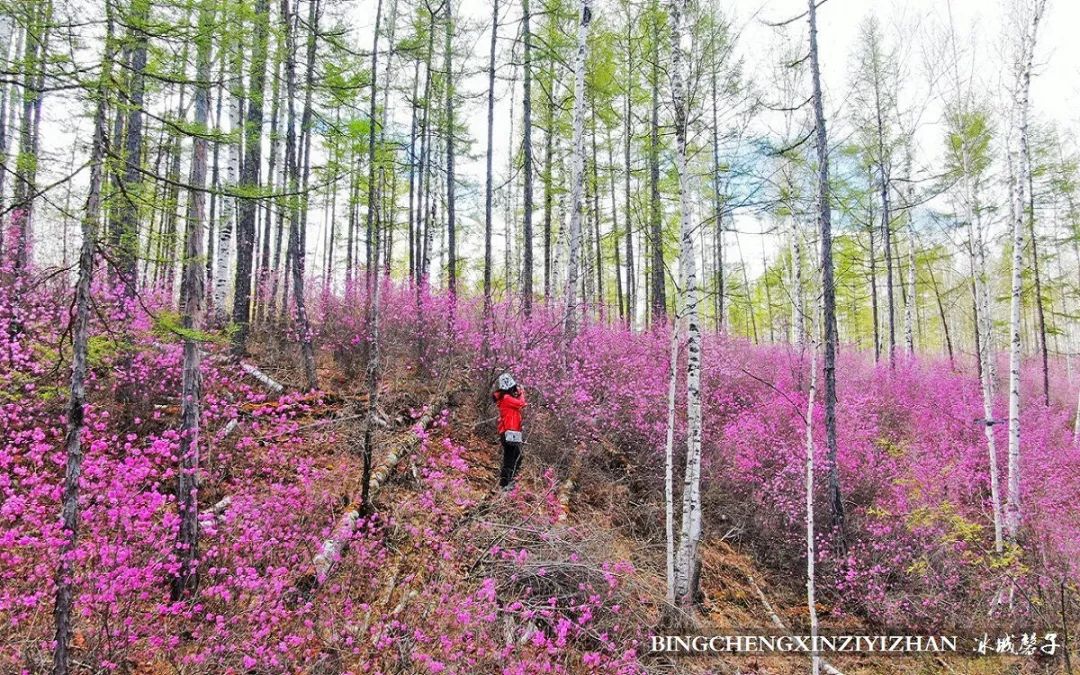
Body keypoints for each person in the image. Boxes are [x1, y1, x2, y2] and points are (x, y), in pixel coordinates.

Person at [492, 372, 526, 489]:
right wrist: (521, 393)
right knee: (511, 457)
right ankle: (506, 483)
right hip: (509, 432)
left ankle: (507, 481)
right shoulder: (506, 398)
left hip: (511, 432)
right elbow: (521, 403)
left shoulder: (506, 398)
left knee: (516, 456)